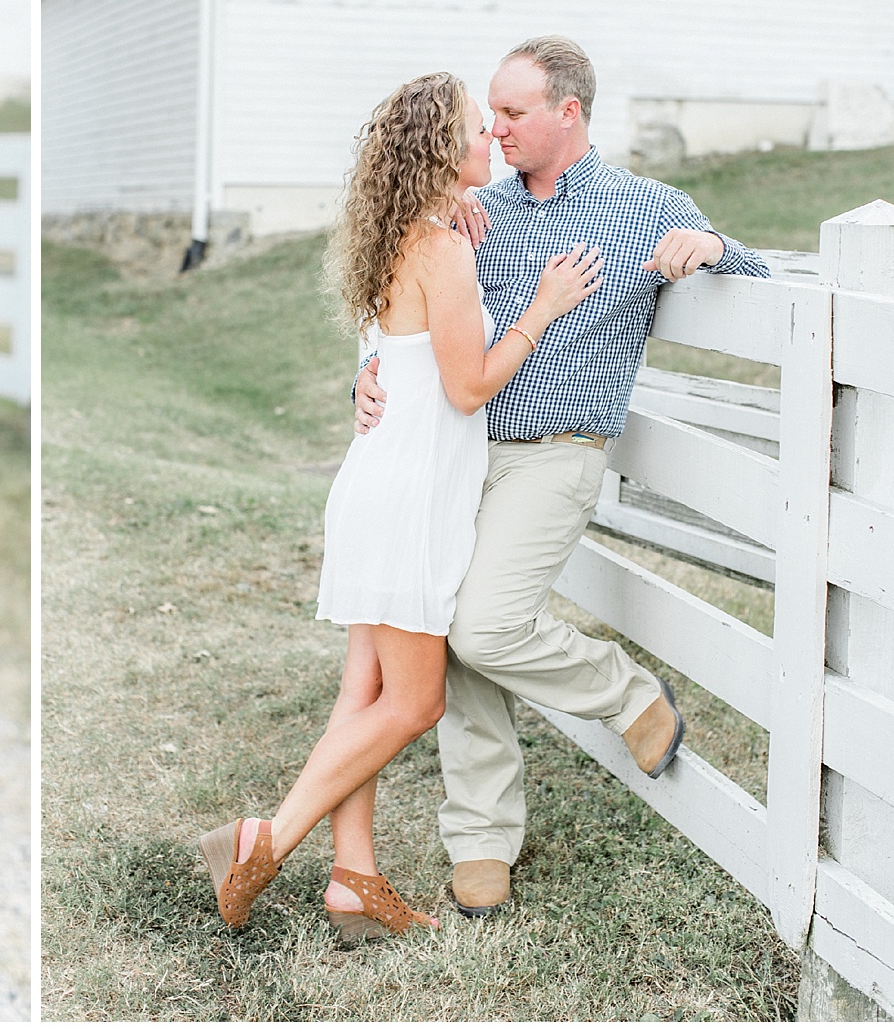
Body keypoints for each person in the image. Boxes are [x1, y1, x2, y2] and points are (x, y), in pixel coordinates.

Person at [352, 36, 770, 919]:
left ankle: (626, 694)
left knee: (487, 626)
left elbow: (761, 279)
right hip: (460, 451)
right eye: (490, 115)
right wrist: (368, 371)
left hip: (559, 453)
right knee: (449, 635)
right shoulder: (477, 213)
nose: (495, 130)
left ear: (567, 112)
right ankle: (480, 839)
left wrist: (715, 245)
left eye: (512, 113)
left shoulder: (645, 207)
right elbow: (414, 315)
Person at [198, 71, 603, 938]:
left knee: (367, 691)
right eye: (471, 129)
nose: (488, 138)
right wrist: (540, 307)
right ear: (437, 152)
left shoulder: (402, 237)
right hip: (414, 496)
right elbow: (467, 388)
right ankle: (262, 839)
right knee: (414, 704)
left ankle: (355, 881)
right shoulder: (445, 249)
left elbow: (402, 357)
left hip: (377, 482)